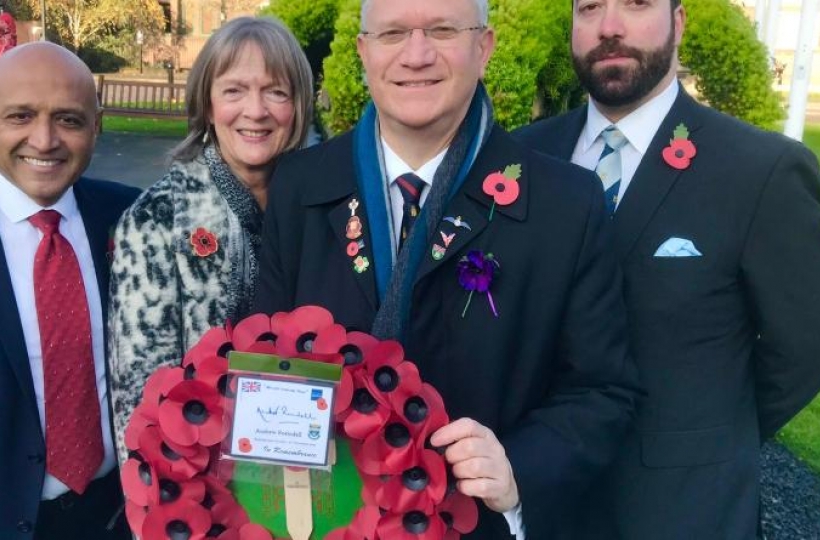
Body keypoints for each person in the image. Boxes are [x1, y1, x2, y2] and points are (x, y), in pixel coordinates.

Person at [253, 0, 639, 537]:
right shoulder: (299, 187)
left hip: (475, 523)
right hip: (323, 522)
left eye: (441, 29)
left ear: (484, 47)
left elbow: (603, 390)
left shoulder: (566, 205)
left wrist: (519, 468)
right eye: (392, 34)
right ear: (364, 53)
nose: (416, 55)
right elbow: (267, 360)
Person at [514, 1, 820, 538]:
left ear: (678, 22)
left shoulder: (759, 171)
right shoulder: (521, 158)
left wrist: (713, 430)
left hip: (683, 509)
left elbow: (805, 344)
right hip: (539, 503)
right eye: (589, 8)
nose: (609, 26)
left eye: (636, 3)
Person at [108, 16, 314, 463]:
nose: (255, 111)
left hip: (314, 469)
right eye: (234, 90)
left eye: (276, 91)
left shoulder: (329, 207)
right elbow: (139, 395)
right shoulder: (156, 219)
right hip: (198, 489)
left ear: (299, 105)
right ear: (207, 102)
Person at [0, 42, 139, 539]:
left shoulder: (131, 220)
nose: (45, 139)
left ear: (97, 125)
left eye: (69, 120)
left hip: (117, 515)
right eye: (20, 116)